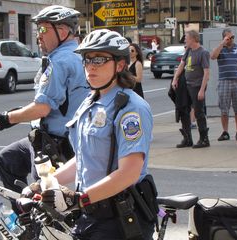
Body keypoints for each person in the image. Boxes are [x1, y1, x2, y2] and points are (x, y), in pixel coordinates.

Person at [28, 29, 155, 240]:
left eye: (100, 59)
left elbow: (129, 173)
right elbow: (85, 159)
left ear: (120, 65)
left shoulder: (131, 109)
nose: (91, 66)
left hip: (120, 219)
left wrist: (79, 199)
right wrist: (43, 184)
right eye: (87, 59)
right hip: (91, 213)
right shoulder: (90, 102)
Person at [0, 5, 89, 212]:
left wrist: (7, 118)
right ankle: (25, 218)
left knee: (44, 196)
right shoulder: (77, 55)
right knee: (9, 158)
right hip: (54, 138)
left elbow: (42, 108)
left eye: (43, 30)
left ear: (62, 32)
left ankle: (36, 226)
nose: (39, 36)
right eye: (38, 31)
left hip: (56, 145)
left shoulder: (60, 60)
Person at [172, 30, 210, 148]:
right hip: (186, 85)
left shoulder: (203, 53)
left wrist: (202, 90)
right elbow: (182, 65)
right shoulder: (188, 51)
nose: (184, 40)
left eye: (186, 38)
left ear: (193, 39)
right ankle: (187, 138)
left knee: (199, 112)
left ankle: (204, 139)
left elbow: (206, 72)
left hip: (196, 85)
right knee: (184, 110)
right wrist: (175, 78)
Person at [210, 28, 237, 142]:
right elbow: (212, 56)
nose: (231, 39)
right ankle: (225, 132)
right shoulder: (220, 49)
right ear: (224, 38)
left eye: (232, 37)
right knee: (224, 109)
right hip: (224, 81)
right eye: (229, 38)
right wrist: (222, 44)